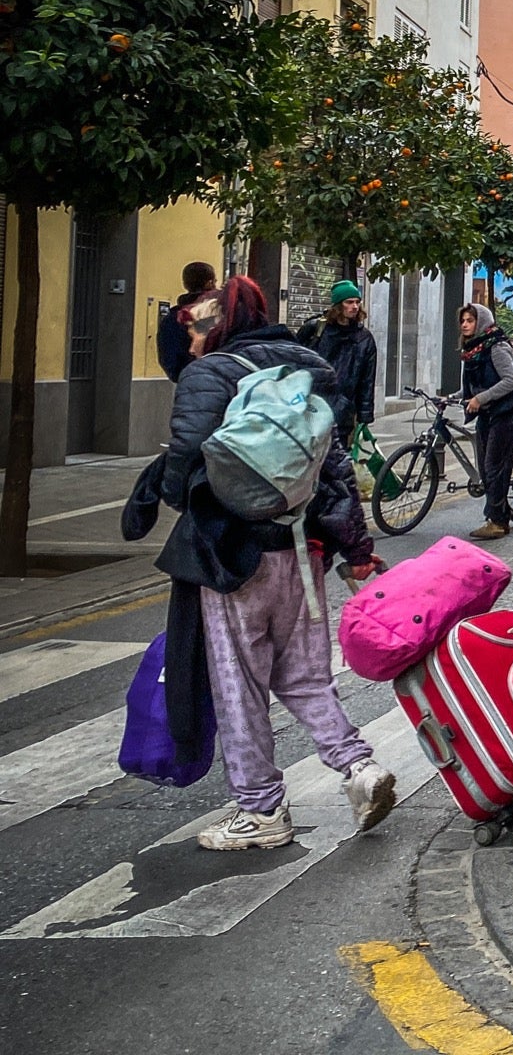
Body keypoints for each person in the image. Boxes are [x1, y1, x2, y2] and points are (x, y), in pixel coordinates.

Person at [162, 276, 392, 852]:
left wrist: (171, 494)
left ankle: (260, 809)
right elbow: (337, 471)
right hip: (303, 552)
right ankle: (359, 768)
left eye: (194, 324)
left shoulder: (208, 375)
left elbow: (185, 458)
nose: (188, 335)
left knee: (238, 683)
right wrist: (357, 551)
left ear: (216, 324)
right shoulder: (308, 370)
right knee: (304, 674)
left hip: (235, 556)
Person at [458, 304, 513, 540]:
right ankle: (495, 514)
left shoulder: (496, 347)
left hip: (504, 413)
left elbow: (510, 381)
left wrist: (480, 398)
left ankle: (498, 522)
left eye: (470, 320)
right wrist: (454, 397)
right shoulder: (474, 348)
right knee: (486, 467)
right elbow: (474, 385)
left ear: (481, 322)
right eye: (463, 320)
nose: (465, 324)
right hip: (487, 412)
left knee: (494, 467)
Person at [296, 280, 378, 450]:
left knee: (338, 459)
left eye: (357, 302)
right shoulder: (315, 329)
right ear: (338, 305)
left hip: (343, 412)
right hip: (313, 406)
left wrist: (364, 417)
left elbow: (367, 381)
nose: (354, 306)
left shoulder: (364, 339)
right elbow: (296, 362)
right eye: (349, 302)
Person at [157, 261, 217, 382]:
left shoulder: (172, 318)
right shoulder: (219, 313)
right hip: (219, 379)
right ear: (209, 283)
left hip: (186, 380)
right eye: (215, 281)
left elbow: (168, 357)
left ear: (185, 284)